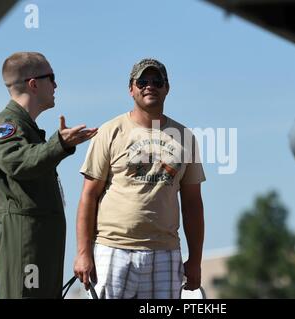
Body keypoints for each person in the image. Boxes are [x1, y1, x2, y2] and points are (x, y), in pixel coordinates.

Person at [73, 58, 206, 299]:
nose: (150, 86)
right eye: (142, 81)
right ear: (131, 88)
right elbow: (88, 196)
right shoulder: (109, 131)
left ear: (167, 88)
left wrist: (195, 261)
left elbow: (193, 203)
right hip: (113, 249)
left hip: (165, 252)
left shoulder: (186, 137)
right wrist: (83, 252)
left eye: (157, 81)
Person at [0, 52, 97, 298]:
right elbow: (19, 163)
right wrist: (60, 144)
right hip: (27, 247)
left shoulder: (24, 128)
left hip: (37, 246)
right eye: (51, 78)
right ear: (33, 84)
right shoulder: (7, 125)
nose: (55, 85)